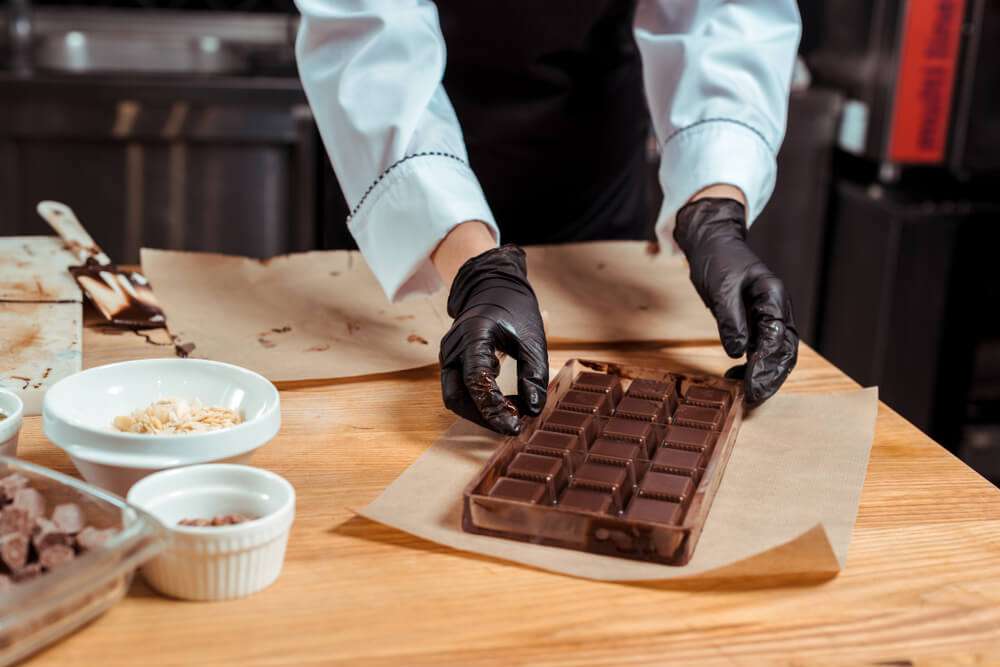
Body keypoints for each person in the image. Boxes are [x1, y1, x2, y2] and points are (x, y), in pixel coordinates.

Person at [295, 0, 801, 435]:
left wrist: (713, 206)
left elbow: (727, 12)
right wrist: (475, 268)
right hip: (397, 173)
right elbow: (368, 33)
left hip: (590, 154)